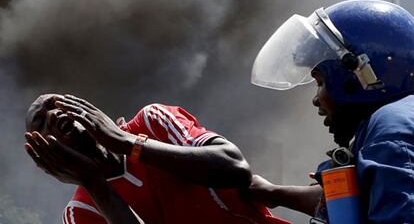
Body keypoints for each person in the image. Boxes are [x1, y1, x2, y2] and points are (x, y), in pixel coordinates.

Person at [247, 0, 414, 223]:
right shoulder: (398, 122)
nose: (316, 100)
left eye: (320, 81)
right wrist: (273, 193)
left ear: (361, 76)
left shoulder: (391, 131)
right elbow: (362, 199)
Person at [24, 94, 291, 224]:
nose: (53, 115)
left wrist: (127, 143)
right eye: (41, 121)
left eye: (57, 104)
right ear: (45, 152)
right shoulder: (81, 213)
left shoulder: (152, 122)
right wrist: (93, 183)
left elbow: (235, 169)